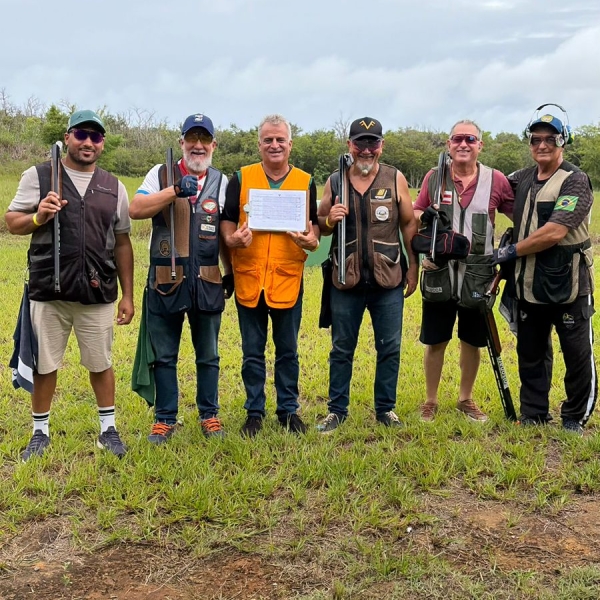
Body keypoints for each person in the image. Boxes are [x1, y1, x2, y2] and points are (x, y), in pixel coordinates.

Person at [5, 109, 134, 461]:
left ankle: (108, 429)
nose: (88, 142)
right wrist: (38, 216)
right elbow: (12, 221)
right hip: (49, 290)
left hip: (97, 290)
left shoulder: (114, 186)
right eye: (81, 134)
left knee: (100, 362)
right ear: (68, 137)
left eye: (96, 136)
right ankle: (40, 432)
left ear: (102, 143)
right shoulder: (39, 175)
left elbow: (122, 242)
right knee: (44, 364)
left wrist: (128, 295)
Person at [129, 113, 231, 444]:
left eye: (205, 139)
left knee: (209, 355)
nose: (198, 145)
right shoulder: (160, 174)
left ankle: (209, 415)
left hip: (208, 282)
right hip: (165, 281)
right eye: (192, 138)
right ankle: (165, 418)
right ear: (181, 142)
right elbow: (136, 208)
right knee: (164, 356)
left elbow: (225, 233)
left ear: (214, 145)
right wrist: (174, 191)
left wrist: (230, 272)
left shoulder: (222, 182)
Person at [494, 108, 596, 435]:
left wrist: (510, 251)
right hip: (528, 283)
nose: (542, 145)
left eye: (550, 139)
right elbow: (490, 187)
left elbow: (554, 232)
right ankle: (534, 413)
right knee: (531, 352)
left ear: (563, 141)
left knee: (577, 355)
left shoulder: (575, 180)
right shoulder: (521, 178)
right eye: (536, 139)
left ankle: (574, 417)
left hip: (569, 283)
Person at [316, 117, 418, 432]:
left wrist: (413, 265)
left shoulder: (395, 177)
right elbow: (319, 223)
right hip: (345, 279)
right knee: (341, 349)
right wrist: (329, 220)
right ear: (350, 145)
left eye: (372, 143)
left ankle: (385, 410)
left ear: (381, 146)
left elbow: (408, 223)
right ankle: (337, 411)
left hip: (388, 278)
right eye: (360, 143)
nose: (366, 150)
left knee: (390, 347)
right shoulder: (335, 180)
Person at [220, 114, 319, 437]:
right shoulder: (241, 178)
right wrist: (232, 239)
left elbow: (314, 224)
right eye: (268, 140)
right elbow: (227, 219)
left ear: (290, 144)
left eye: (280, 140)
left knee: (288, 351)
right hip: (249, 277)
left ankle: (288, 410)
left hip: (287, 277)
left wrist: (312, 240)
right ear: (259, 144)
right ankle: (254, 412)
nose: (274, 145)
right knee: (252, 352)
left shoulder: (305, 181)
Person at [413, 120, 514, 422]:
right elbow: (416, 211)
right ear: (449, 144)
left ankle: (465, 399)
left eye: (470, 139)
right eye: (457, 139)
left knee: (472, 341)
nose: (463, 145)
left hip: (478, 275)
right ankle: (430, 401)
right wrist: (423, 217)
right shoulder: (434, 177)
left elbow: (520, 216)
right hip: (439, 270)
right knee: (435, 340)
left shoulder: (496, 180)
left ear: (480, 145)